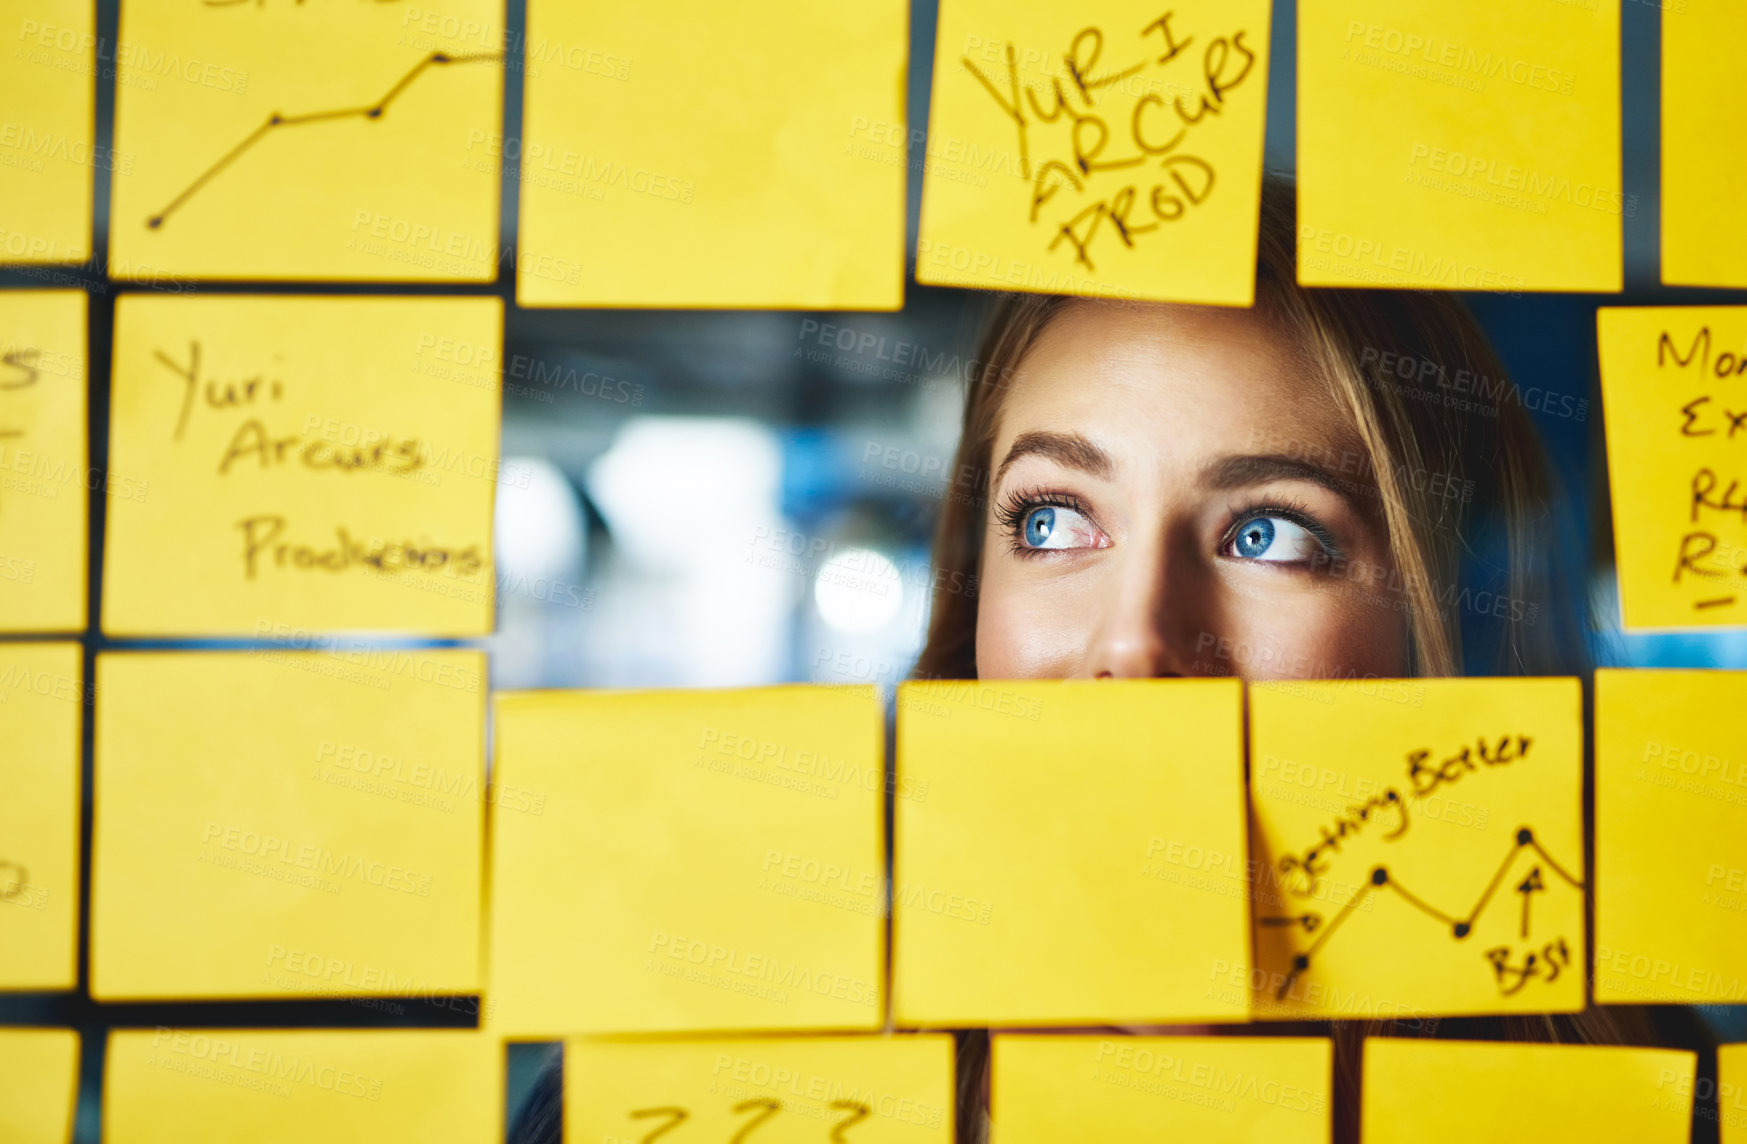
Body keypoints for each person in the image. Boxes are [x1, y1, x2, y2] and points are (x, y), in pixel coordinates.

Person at [915, 180, 1701, 1144]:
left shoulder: (1637, 1105)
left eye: (1267, 537)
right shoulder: (822, 1070)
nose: (1132, 643)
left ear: (1443, 633)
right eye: (1052, 521)